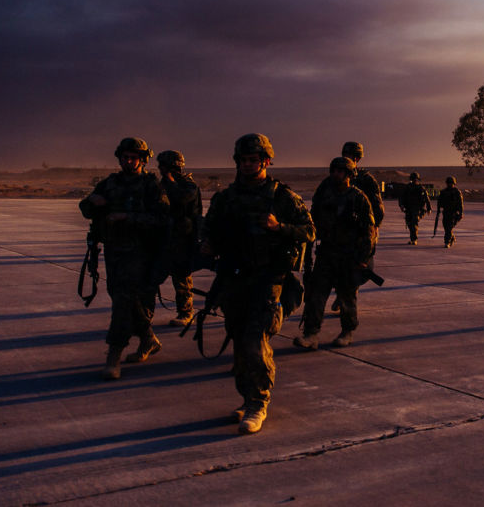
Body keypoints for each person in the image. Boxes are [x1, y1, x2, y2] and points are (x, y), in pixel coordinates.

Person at [203, 133, 314, 434]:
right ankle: (247, 396)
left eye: (254, 160)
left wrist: (280, 227)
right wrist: (206, 247)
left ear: (266, 161)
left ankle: (258, 402)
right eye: (244, 160)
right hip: (235, 278)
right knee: (239, 341)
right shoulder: (225, 199)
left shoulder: (282, 197)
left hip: (268, 279)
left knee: (255, 340)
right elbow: (208, 231)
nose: (249, 165)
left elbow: (309, 230)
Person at [79, 137, 170, 380]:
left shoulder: (151, 186)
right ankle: (149, 339)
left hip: (140, 252)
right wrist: (92, 202)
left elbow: (162, 219)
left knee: (123, 300)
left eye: (134, 158)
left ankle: (114, 355)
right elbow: (86, 208)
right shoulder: (110, 183)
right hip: (114, 251)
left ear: (143, 160)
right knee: (121, 296)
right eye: (125, 157)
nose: (129, 162)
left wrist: (126, 217)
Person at [295, 157, 375, 350]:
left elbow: (369, 230)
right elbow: (312, 223)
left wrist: (364, 258)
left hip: (348, 255)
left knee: (347, 296)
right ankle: (311, 334)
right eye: (334, 171)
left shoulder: (358, 198)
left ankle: (347, 332)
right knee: (316, 295)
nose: (335, 175)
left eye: (340, 171)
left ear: (348, 175)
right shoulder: (325, 194)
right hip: (327, 253)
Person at [156, 150, 202, 328]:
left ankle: (185, 312)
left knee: (181, 278)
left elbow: (180, 200)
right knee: (152, 277)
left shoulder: (188, 185)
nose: (160, 170)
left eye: (163, 166)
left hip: (183, 239)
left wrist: (169, 180)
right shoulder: (165, 184)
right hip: (165, 238)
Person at [399, 171, 431, 245]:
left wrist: (429, 208)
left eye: (415, 179)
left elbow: (426, 199)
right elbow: (401, 197)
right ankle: (412, 238)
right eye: (413, 179)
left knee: (414, 222)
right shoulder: (407, 188)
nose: (414, 180)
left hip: (418, 209)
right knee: (409, 224)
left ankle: (414, 239)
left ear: (417, 179)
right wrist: (401, 205)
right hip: (409, 209)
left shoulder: (421, 188)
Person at [436, 176, 463, 248]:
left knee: (449, 227)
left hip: (454, 213)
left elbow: (460, 204)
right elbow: (439, 202)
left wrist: (461, 213)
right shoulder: (443, 192)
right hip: (446, 212)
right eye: (449, 183)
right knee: (446, 227)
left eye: (451, 183)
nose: (450, 184)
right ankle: (452, 237)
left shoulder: (457, 192)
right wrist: (438, 211)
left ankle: (447, 241)